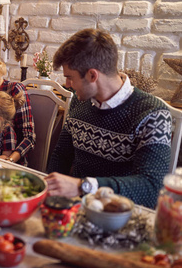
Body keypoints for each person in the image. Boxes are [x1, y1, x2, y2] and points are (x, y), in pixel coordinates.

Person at [45, 28, 171, 209]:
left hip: (122, 213)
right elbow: (61, 155)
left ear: (92, 75)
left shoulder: (153, 113)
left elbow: (151, 188)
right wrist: (50, 195)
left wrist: (84, 186)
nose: (67, 85)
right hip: (77, 208)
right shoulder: (80, 101)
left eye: (70, 77)